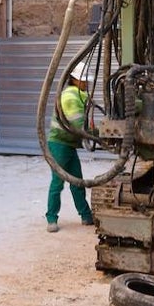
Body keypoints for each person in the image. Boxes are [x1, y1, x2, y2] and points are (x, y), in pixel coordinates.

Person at [46, 63, 94, 232]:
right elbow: (78, 124)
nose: (86, 83)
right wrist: (97, 133)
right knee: (58, 182)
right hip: (59, 144)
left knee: (77, 182)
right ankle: (51, 218)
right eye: (83, 80)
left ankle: (86, 216)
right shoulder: (70, 96)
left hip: (69, 145)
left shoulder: (79, 95)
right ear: (75, 79)